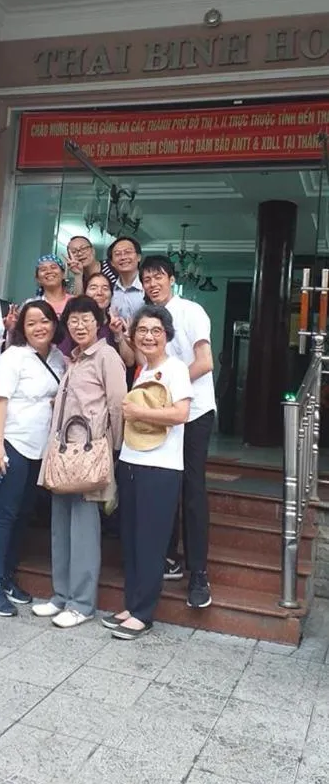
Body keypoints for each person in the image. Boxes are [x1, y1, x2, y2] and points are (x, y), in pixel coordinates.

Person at [33, 296, 127, 628]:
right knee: (61, 528)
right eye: (73, 320)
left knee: (84, 531)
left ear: (98, 323)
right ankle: (61, 596)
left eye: (86, 318)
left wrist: (113, 451)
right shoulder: (73, 359)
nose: (79, 325)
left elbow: (118, 406)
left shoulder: (107, 357)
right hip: (63, 455)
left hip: (89, 455)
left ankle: (82, 604)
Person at [102, 305, 192, 640]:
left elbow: (181, 414)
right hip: (132, 462)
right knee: (131, 540)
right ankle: (132, 604)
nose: (149, 336)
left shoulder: (175, 369)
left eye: (156, 330)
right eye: (142, 330)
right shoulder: (143, 369)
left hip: (161, 468)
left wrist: (138, 412)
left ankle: (143, 613)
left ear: (167, 335)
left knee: (150, 542)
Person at [0, 300, 66, 617]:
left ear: (54, 324)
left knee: (22, 514)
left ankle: (6, 577)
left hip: (38, 449)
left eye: (45, 321)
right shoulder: (13, 356)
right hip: (10, 443)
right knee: (3, 514)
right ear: (22, 329)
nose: (39, 327)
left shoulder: (59, 359)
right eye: (31, 323)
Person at [140, 255, 216, 609]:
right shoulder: (148, 319)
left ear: (171, 279)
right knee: (164, 482)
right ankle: (168, 558)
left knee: (192, 489)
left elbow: (205, 361)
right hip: (161, 413)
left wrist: (172, 387)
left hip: (194, 412)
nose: (152, 283)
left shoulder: (190, 311)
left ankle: (198, 572)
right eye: (146, 279)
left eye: (158, 277)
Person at [59, 272, 134, 368]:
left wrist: (118, 334)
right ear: (85, 293)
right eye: (93, 288)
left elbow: (129, 362)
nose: (99, 293)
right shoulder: (75, 323)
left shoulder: (117, 323)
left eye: (105, 288)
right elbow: (62, 358)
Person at [107, 237, 145, 321]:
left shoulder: (148, 286)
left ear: (138, 257)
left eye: (128, 252)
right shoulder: (109, 289)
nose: (123, 257)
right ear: (112, 262)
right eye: (117, 254)